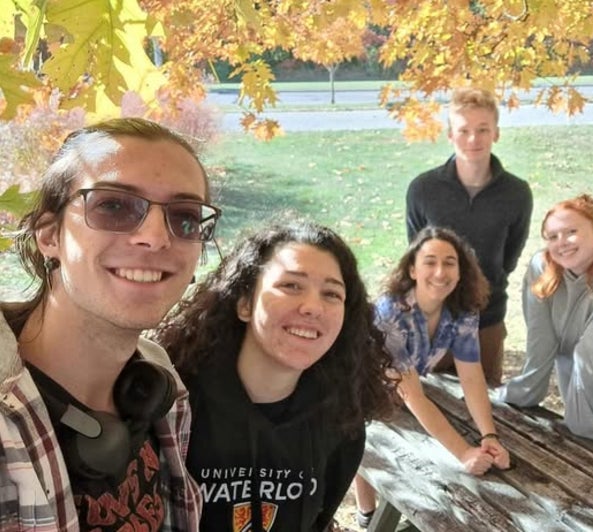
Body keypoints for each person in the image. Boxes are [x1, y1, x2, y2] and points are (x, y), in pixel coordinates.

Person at [0, 118, 218, 530]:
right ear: (49, 236)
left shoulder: (162, 390)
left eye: (185, 216)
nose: (156, 237)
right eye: (113, 205)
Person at [156, 221, 397, 532]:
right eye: (291, 286)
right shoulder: (175, 405)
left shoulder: (341, 420)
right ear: (244, 303)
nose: (313, 307)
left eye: (331, 294)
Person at [353, 226, 511, 527]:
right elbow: (412, 395)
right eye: (430, 261)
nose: (440, 271)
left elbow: (472, 376)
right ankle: (367, 515)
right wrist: (464, 453)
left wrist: (489, 436)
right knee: (365, 439)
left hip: (401, 390)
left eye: (450, 262)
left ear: (461, 271)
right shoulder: (391, 313)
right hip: (360, 388)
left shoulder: (462, 309)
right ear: (412, 269)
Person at [499, 194, 593, 456]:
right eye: (552, 236)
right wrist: (524, 392)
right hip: (572, 363)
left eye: (571, 232)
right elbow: (540, 337)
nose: (562, 243)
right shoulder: (540, 266)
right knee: (583, 448)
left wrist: (579, 423)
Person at [405, 87, 533, 386]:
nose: (473, 139)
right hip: (433, 320)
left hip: (486, 320)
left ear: (496, 133)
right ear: (450, 135)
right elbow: (417, 256)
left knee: (485, 405)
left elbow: (509, 258)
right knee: (432, 401)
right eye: (463, 131)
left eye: (482, 129)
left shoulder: (517, 193)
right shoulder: (423, 189)